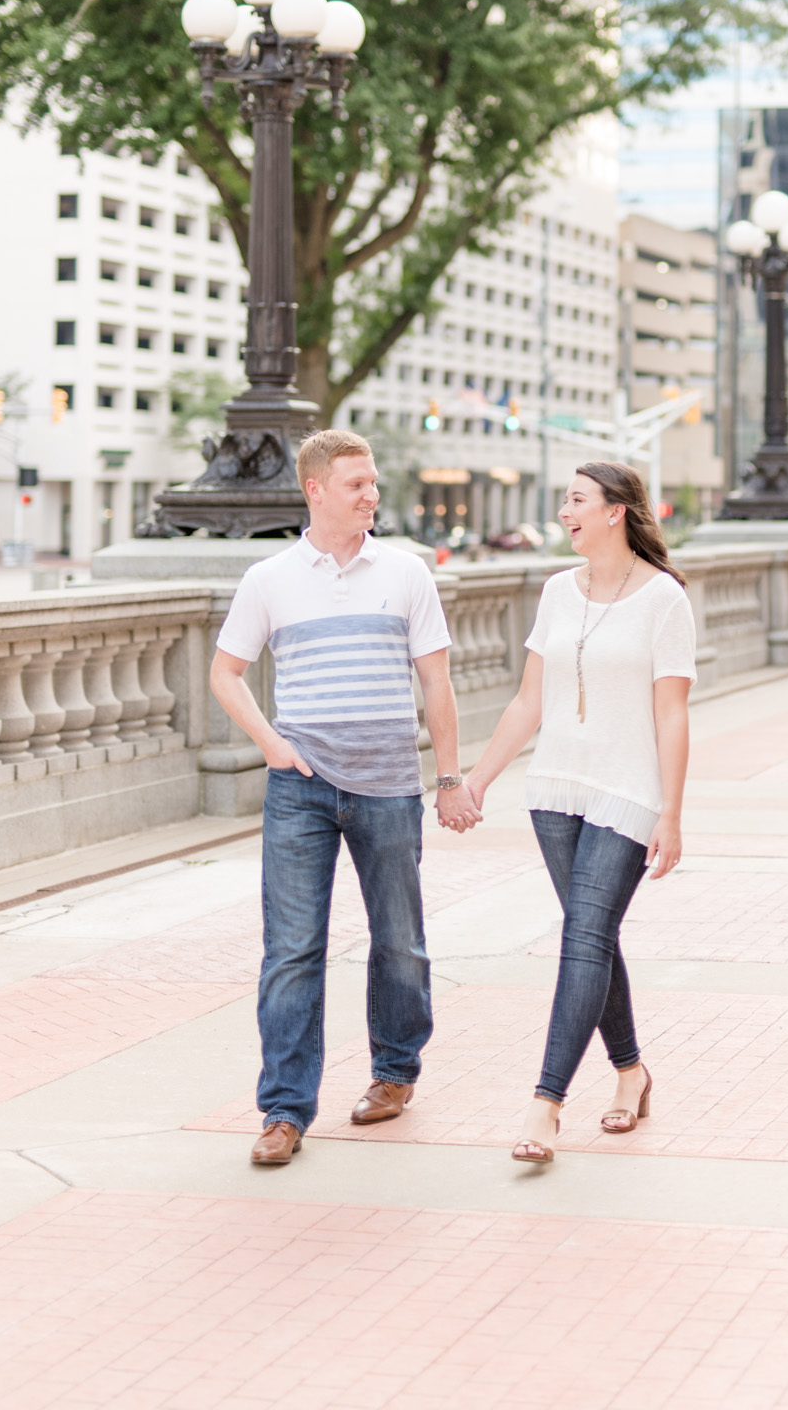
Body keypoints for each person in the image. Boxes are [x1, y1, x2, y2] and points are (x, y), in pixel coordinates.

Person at [210, 429, 478, 1168]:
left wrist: (448, 778)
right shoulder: (269, 579)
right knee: (292, 951)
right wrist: (272, 746)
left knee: (399, 941)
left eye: (373, 482)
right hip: (300, 787)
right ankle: (284, 1111)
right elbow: (225, 674)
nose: (371, 494)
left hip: (389, 785)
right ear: (315, 491)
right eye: (356, 483)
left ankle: (394, 1073)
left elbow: (437, 683)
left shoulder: (407, 572)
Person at [466, 461, 694, 1165]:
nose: (563, 512)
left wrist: (672, 815)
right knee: (590, 939)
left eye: (574, 500)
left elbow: (671, 712)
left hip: (626, 793)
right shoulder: (556, 592)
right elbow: (528, 701)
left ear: (615, 511)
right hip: (556, 790)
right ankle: (630, 1072)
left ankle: (545, 1106)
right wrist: (474, 782)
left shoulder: (663, 600)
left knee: (584, 937)